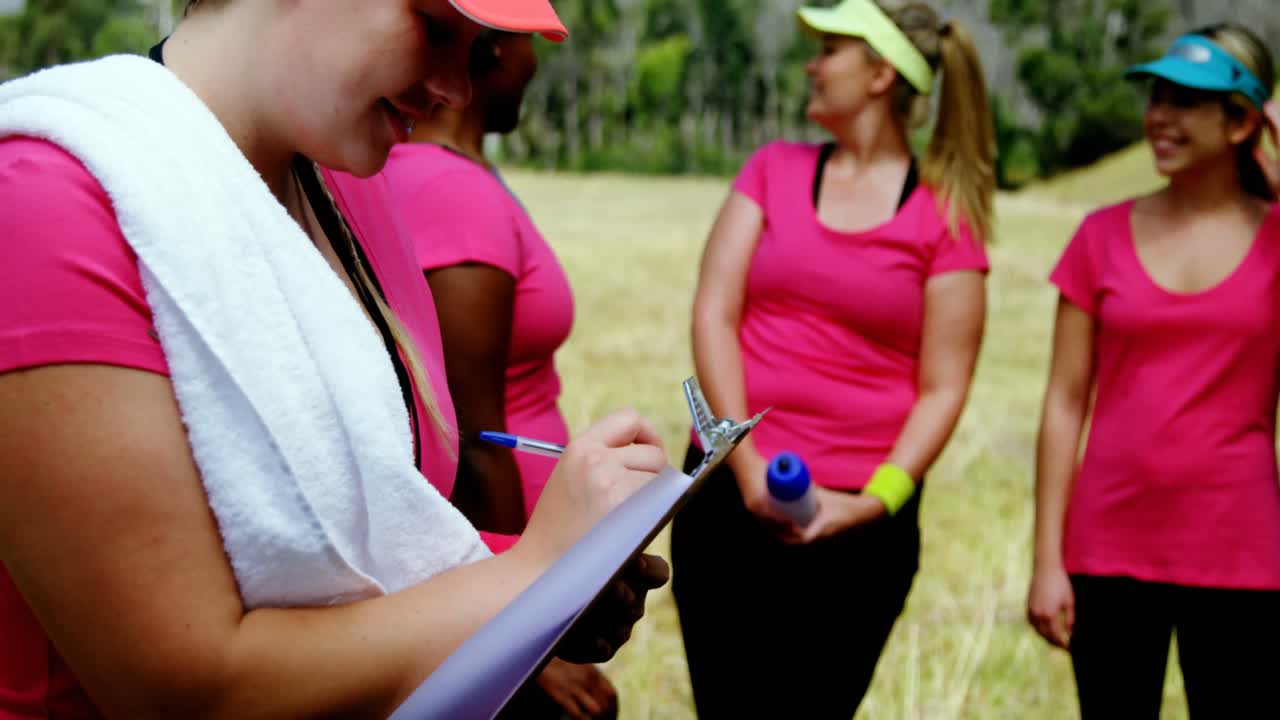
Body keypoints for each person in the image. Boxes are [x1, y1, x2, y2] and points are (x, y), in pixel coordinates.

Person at [0, 2, 670, 718]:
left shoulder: (349, 188)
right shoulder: (43, 205)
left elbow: (366, 538)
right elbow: (185, 689)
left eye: (474, 46)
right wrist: (529, 578)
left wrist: (550, 576)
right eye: (438, 28)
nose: (454, 89)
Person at [668, 0, 994, 716]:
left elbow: (945, 386)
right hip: (727, 501)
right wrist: (745, 468)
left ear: (881, 73)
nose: (812, 65)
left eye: (832, 50)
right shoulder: (772, 170)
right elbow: (714, 312)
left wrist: (875, 502)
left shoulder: (943, 215)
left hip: (856, 523)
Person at [1027, 23, 1280, 719]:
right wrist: (1048, 560)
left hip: (1244, 556)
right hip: (1107, 550)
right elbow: (1063, 402)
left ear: (1242, 122)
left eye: (1185, 101)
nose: (1158, 118)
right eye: (1156, 97)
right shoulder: (1099, 236)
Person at [378, 29, 616, 718]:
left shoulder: (442, 172)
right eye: (537, 37)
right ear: (494, 47)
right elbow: (475, 446)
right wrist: (524, 643)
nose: (542, 60)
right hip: (498, 596)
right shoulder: (452, 189)